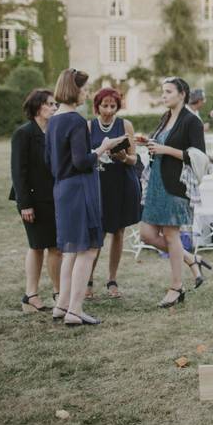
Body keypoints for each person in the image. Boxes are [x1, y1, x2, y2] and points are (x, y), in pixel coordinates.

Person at [47, 69, 127, 326]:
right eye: (84, 89)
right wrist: (103, 147)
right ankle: (76, 309)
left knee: (71, 249)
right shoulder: (75, 120)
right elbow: (82, 161)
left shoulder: (53, 121)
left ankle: (62, 306)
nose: (87, 93)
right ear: (74, 89)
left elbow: (51, 160)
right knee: (88, 249)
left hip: (62, 188)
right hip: (80, 188)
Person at [138, 77, 212, 308]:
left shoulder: (192, 121)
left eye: (168, 92)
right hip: (156, 183)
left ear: (182, 94)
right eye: (163, 92)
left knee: (171, 236)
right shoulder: (165, 118)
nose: (164, 96)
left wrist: (166, 149)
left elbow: (199, 155)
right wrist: (147, 142)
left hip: (176, 185)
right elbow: (158, 146)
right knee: (146, 234)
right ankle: (191, 259)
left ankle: (176, 287)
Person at [10, 89, 62, 313]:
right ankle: (31, 295)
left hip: (53, 197)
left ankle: (59, 292)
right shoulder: (24, 133)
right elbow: (18, 172)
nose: (54, 108)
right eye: (50, 104)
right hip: (32, 200)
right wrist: (25, 204)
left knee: (55, 247)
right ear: (38, 107)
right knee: (37, 246)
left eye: (54, 104)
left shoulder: (53, 132)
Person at [87, 87, 141, 299]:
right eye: (104, 105)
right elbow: (84, 156)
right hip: (99, 184)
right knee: (97, 233)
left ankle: (112, 280)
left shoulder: (125, 125)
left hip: (122, 183)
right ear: (97, 106)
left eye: (112, 106)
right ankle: (88, 280)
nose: (108, 110)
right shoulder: (89, 126)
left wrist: (123, 158)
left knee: (118, 232)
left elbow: (134, 158)